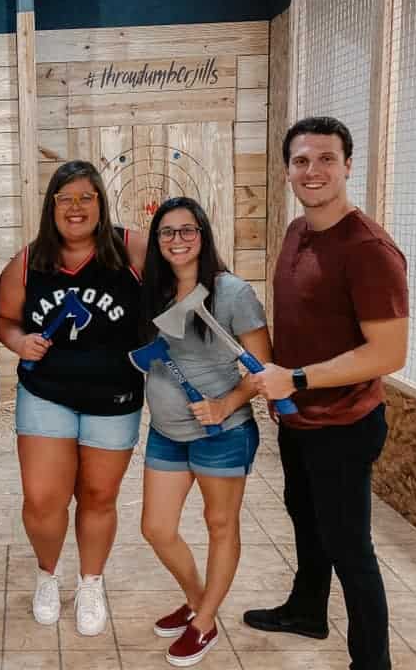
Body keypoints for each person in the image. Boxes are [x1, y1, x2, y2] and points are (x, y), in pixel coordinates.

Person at [246, 116, 409, 670]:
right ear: (288, 169)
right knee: (305, 519)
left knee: (350, 548)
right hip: (299, 418)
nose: (312, 170)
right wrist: (278, 382)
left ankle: (372, 661)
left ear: (347, 166)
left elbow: (387, 353)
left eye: (325, 159)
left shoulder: (368, 249)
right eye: (300, 161)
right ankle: (307, 610)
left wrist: (295, 378)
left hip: (344, 422)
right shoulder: (297, 231)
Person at [0, 160, 147, 636]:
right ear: (51, 206)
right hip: (46, 394)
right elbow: (5, 321)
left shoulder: (132, 248)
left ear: (101, 203)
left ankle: (90, 582)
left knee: (99, 497)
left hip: (116, 395)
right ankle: (47, 575)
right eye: (66, 198)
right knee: (43, 500)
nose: (76, 207)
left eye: (86, 197)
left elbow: (189, 274)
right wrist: (20, 343)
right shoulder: (27, 261)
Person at [137, 197, 271, 667]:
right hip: (167, 432)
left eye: (187, 230)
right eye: (167, 232)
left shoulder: (233, 293)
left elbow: (263, 370)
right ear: (157, 241)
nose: (177, 240)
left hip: (224, 433)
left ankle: (205, 621)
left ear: (203, 234)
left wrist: (225, 403)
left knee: (220, 525)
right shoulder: (153, 292)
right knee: (155, 527)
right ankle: (199, 599)